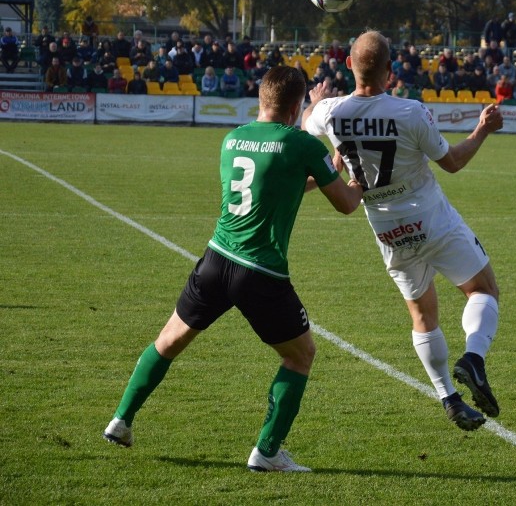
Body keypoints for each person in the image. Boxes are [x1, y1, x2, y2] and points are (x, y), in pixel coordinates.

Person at [102, 65, 363, 474]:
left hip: (215, 261)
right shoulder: (301, 144)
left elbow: (276, 180)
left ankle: (120, 419)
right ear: (296, 107)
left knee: (168, 342)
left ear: (261, 99)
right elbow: (347, 204)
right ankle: (268, 451)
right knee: (301, 356)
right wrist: (362, 178)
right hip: (261, 272)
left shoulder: (233, 138)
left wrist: (323, 163)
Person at [303, 30, 504, 432]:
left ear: (348, 65)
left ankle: (448, 396)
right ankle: (474, 359)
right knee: (482, 289)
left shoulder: (330, 113)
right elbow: (452, 163)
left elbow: (311, 132)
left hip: (386, 228)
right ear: (391, 71)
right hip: (430, 217)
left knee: (422, 314)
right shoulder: (411, 111)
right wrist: (482, 130)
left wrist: (315, 105)